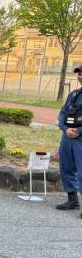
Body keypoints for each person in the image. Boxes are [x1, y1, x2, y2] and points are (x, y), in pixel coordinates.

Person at [55, 65, 82, 213]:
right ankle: (72, 200)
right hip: (68, 136)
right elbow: (63, 113)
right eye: (79, 74)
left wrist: (79, 131)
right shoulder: (73, 94)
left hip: (80, 138)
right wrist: (65, 129)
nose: (80, 76)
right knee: (66, 167)